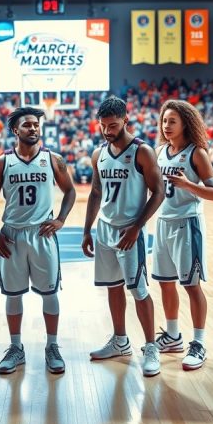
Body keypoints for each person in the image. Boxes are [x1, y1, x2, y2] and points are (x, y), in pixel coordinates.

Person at [0, 107, 76, 374]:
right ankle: (16, 348)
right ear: (16, 130)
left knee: (50, 293)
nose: (33, 128)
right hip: (12, 234)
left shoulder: (53, 159)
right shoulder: (2, 162)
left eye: (36, 124)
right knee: (13, 295)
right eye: (27, 125)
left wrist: (61, 219)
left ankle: (52, 346)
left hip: (42, 233)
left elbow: (70, 191)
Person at [81, 96, 166, 377]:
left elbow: (159, 192)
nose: (107, 131)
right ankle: (120, 341)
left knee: (138, 290)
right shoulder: (99, 154)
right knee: (113, 286)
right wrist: (87, 230)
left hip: (130, 229)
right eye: (103, 126)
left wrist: (137, 226)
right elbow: (96, 192)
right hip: (104, 229)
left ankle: (151, 347)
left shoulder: (143, 151)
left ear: (126, 120)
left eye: (113, 125)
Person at [152, 100, 213, 371]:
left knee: (191, 285)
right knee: (165, 283)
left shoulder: (197, 153)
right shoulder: (158, 152)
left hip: (187, 224)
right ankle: (172, 336)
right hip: (162, 223)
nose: (166, 126)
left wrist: (189, 185)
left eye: (172, 121)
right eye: (164, 121)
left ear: (185, 124)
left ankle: (199, 342)